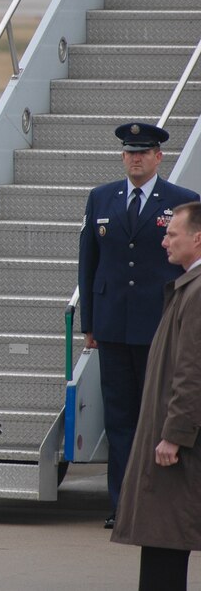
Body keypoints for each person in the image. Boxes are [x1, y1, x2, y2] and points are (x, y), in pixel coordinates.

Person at [78, 122, 200, 529]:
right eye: (130, 152)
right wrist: (90, 324)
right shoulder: (101, 198)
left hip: (159, 327)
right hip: (113, 325)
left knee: (160, 415)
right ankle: (122, 503)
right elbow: (89, 262)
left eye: (143, 152)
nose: (135, 158)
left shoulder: (182, 203)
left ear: (158, 157)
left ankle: (159, 500)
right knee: (119, 419)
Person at [111, 201, 201, 590]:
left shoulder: (197, 293)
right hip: (179, 435)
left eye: (172, 234)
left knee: (164, 537)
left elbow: (192, 370)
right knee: (166, 536)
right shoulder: (189, 287)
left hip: (181, 443)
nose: (164, 241)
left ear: (197, 239)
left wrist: (174, 434)